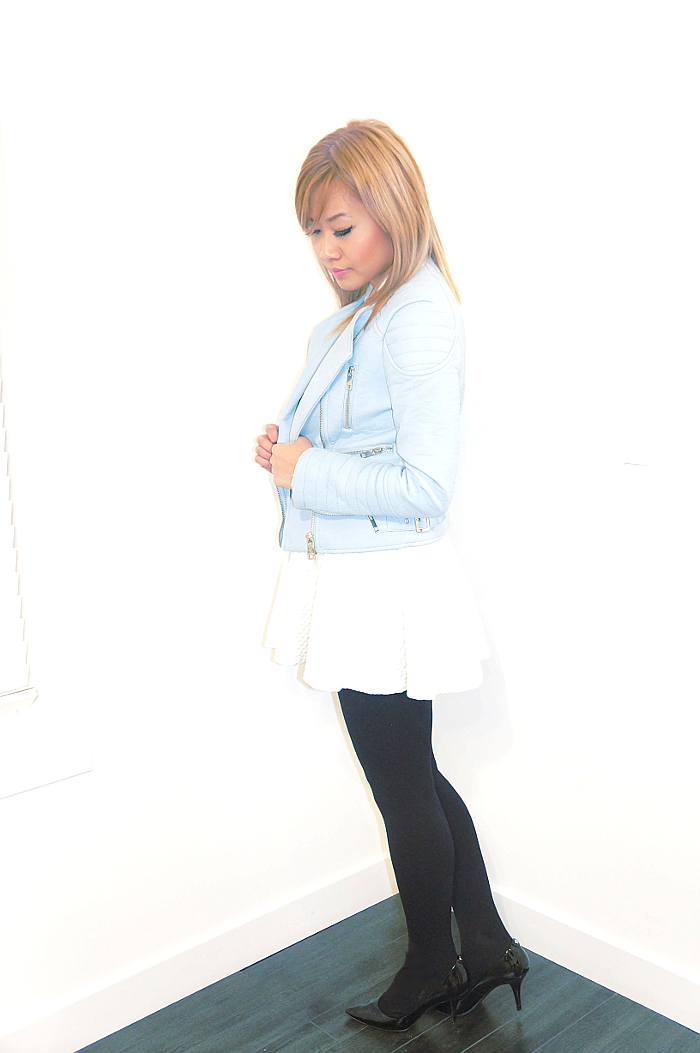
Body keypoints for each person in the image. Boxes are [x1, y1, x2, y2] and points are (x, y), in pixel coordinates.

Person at [254, 119, 529, 1032]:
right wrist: (293, 452)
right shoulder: (363, 312)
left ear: (394, 210)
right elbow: (359, 444)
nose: (327, 249)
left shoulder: (417, 314)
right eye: (315, 231)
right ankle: (483, 945)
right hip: (361, 578)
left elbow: (423, 488)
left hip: (384, 587)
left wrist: (307, 468)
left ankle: (427, 967)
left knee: (401, 783)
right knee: (414, 774)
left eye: (342, 226)